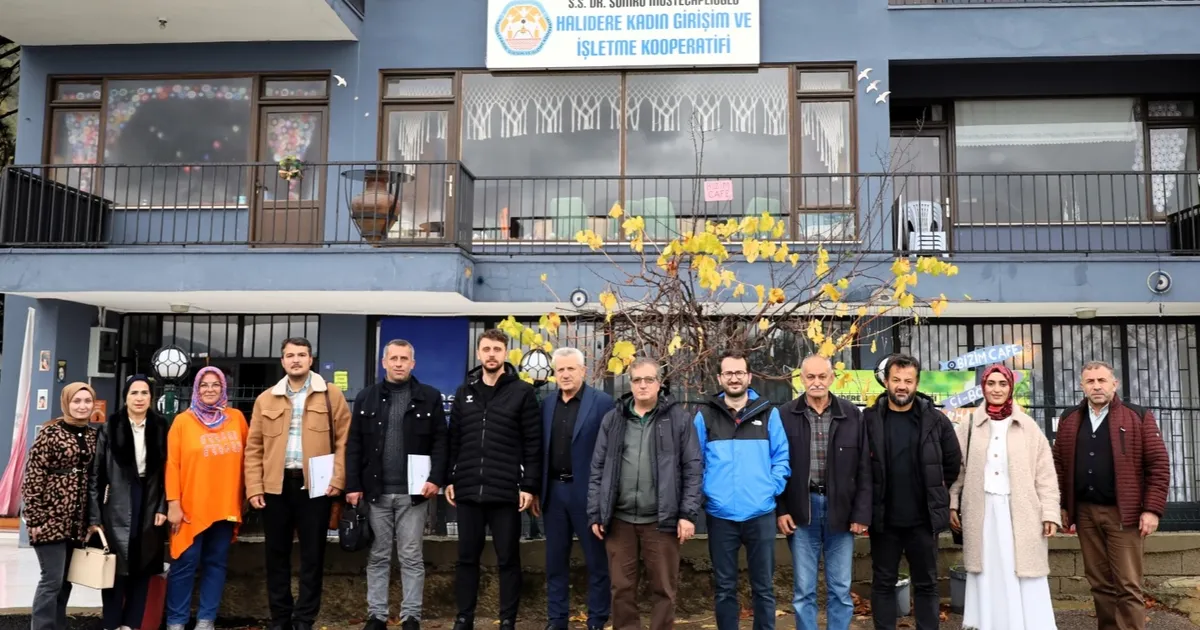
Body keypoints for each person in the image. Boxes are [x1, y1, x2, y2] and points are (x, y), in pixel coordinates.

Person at [1052, 360, 1170, 630]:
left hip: (1124, 514)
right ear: (1082, 386)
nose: (1096, 386)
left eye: (1102, 380)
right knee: (1099, 583)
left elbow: (1158, 465)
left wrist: (1152, 510)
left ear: (1114, 384)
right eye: (1090, 381)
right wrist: (1062, 505)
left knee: (1128, 584)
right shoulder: (1069, 419)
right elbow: (1058, 465)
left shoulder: (1137, 416)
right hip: (1085, 513)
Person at [245, 337, 353, 630]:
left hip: (316, 486)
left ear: (310, 359)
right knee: (275, 555)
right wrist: (254, 487)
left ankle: (304, 619)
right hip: (275, 486)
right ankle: (280, 618)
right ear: (282, 361)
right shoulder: (266, 398)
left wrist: (338, 479)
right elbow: (254, 447)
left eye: (301, 355)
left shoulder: (330, 395)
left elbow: (344, 440)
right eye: (290, 355)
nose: (296, 360)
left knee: (313, 556)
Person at [588, 358, 703, 630]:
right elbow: (598, 468)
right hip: (619, 519)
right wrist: (596, 512)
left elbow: (693, 468)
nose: (643, 385)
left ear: (659, 384)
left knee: (664, 589)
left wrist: (687, 514)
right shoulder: (614, 419)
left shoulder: (678, 419)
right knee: (621, 589)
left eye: (649, 379)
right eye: (637, 380)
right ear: (630, 384)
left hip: (661, 520)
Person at [345, 339, 449, 630]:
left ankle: (411, 616)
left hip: (413, 493)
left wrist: (436, 479)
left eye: (404, 359)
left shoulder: (430, 397)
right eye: (394, 358)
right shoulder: (366, 397)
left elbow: (441, 441)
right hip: (375, 493)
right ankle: (376, 616)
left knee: (411, 557)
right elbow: (354, 445)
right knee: (377, 556)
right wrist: (352, 485)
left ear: (413, 363)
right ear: (384, 363)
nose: (399, 363)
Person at [949, 364, 1060, 630]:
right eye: (991, 384)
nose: (996, 389)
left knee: (1022, 567)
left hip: (1021, 512)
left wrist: (1049, 513)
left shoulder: (1028, 426)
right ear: (983, 387)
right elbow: (957, 469)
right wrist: (953, 503)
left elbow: (1045, 474)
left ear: (1010, 388)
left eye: (1002, 384)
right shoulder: (968, 426)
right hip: (982, 512)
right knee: (987, 568)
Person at [446, 329, 542, 630]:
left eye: (497, 349)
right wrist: (450, 477)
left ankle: (507, 620)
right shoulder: (465, 391)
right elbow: (454, 439)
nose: (491, 354)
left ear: (505, 353)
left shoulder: (522, 392)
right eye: (486, 349)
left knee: (508, 559)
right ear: (478, 353)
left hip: (506, 491)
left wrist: (529, 486)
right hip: (468, 489)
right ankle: (464, 617)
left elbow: (533, 442)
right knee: (466, 558)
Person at [693, 351, 790, 630]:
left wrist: (769, 489)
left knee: (764, 587)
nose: (734, 378)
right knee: (724, 588)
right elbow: (694, 461)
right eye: (728, 373)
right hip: (720, 515)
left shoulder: (769, 413)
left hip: (760, 513)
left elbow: (781, 458)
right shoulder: (705, 415)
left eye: (739, 373)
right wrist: (708, 492)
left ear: (748, 377)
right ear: (719, 378)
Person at [865, 354, 960, 630]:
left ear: (917, 383)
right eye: (896, 380)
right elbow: (859, 465)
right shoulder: (869, 420)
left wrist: (935, 492)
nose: (902, 386)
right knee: (883, 583)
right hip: (884, 520)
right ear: (886, 381)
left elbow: (952, 462)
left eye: (908, 381)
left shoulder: (936, 421)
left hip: (923, 521)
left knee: (927, 584)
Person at [777, 355, 871, 630]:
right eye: (810, 377)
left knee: (840, 589)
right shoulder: (784, 415)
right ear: (801, 379)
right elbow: (776, 465)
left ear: (831, 378)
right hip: (801, 511)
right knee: (804, 590)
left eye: (822, 376)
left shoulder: (852, 415)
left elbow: (865, 467)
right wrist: (781, 509)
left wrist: (861, 513)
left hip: (841, 511)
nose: (816, 382)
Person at [164, 367, 249, 630]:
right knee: (184, 564)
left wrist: (248, 495)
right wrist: (173, 503)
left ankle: (206, 621)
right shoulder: (182, 422)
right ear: (196, 389)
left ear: (224, 388)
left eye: (215, 384)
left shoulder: (237, 419)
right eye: (204, 385)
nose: (209, 389)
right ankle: (176, 621)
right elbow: (172, 464)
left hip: (225, 506)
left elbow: (249, 458)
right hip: (190, 508)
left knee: (216, 564)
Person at [540, 348, 613, 630]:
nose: (566, 374)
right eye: (560, 369)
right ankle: (556, 619)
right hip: (554, 493)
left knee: (597, 562)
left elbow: (611, 453)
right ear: (554, 374)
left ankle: (596, 619)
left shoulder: (603, 403)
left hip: (588, 495)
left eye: (571, 368)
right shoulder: (547, 404)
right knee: (555, 562)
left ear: (583, 371)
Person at [88, 375, 169, 630]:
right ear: (125, 397)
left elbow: (169, 472)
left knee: (142, 564)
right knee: (115, 565)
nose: (139, 398)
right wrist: (95, 517)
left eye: (144, 393)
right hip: (117, 502)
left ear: (151, 397)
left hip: (150, 498)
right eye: (134, 393)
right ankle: (112, 624)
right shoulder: (110, 427)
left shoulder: (160, 426)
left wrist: (163, 506)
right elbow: (96, 475)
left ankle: (132, 624)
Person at [23, 382, 99, 630]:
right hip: (50, 518)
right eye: (76, 401)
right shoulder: (49, 433)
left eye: (87, 401)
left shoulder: (93, 435)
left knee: (66, 581)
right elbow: (33, 476)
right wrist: (35, 518)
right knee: (52, 580)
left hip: (77, 520)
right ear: (66, 402)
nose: (82, 406)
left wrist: (93, 520)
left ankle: (57, 626)